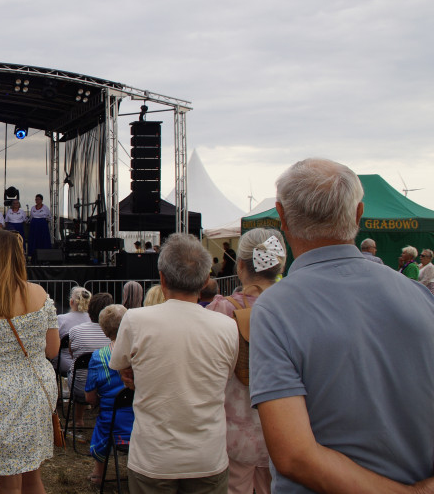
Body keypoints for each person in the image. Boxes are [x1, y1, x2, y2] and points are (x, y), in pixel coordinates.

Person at [251, 158, 434, 494]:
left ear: (282, 216)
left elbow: (295, 456)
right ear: (358, 214)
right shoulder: (420, 297)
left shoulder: (275, 309)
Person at [109, 233, 238, 493]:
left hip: (154, 457)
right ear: (204, 281)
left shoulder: (135, 320)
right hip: (207, 456)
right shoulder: (227, 327)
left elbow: (120, 365)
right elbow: (225, 373)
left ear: (162, 278)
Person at [0, 229, 59, 494]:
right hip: (37, 388)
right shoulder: (39, 293)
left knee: (7, 483)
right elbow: (52, 349)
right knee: (32, 478)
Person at [205, 228, 286, 494]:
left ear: (240, 265)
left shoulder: (222, 309)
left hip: (232, 427)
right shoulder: (295, 307)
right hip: (283, 428)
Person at [84, 304, 132, 487]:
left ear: (104, 331)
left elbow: (89, 397)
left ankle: (98, 473)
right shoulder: (140, 353)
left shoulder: (99, 357)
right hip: (142, 416)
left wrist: (96, 401)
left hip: (112, 421)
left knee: (103, 421)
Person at [66, 292, 114, 428]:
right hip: (108, 389)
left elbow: (72, 354)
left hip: (80, 387)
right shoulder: (115, 334)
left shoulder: (76, 330)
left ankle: (78, 419)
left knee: (76, 371)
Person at [56, 286, 92, 376]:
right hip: (90, 364)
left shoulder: (61, 319)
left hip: (64, 364)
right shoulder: (93, 320)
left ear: (71, 302)